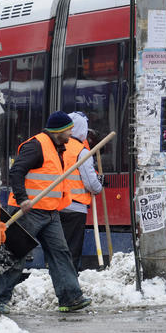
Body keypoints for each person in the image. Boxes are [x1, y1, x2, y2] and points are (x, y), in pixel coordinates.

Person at [0, 111, 91, 314]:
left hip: (50, 212)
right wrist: (23, 199)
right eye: (68, 130)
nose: (71, 133)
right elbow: (16, 172)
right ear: (59, 131)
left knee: (61, 254)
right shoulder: (36, 146)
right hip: (28, 212)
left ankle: (70, 297)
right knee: (16, 256)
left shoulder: (58, 147)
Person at [60, 112, 103, 271]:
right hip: (75, 208)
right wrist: (99, 185)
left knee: (58, 249)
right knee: (72, 250)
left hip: (55, 205)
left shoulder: (57, 146)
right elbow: (91, 183)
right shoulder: (81, 151)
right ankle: (69, 280)